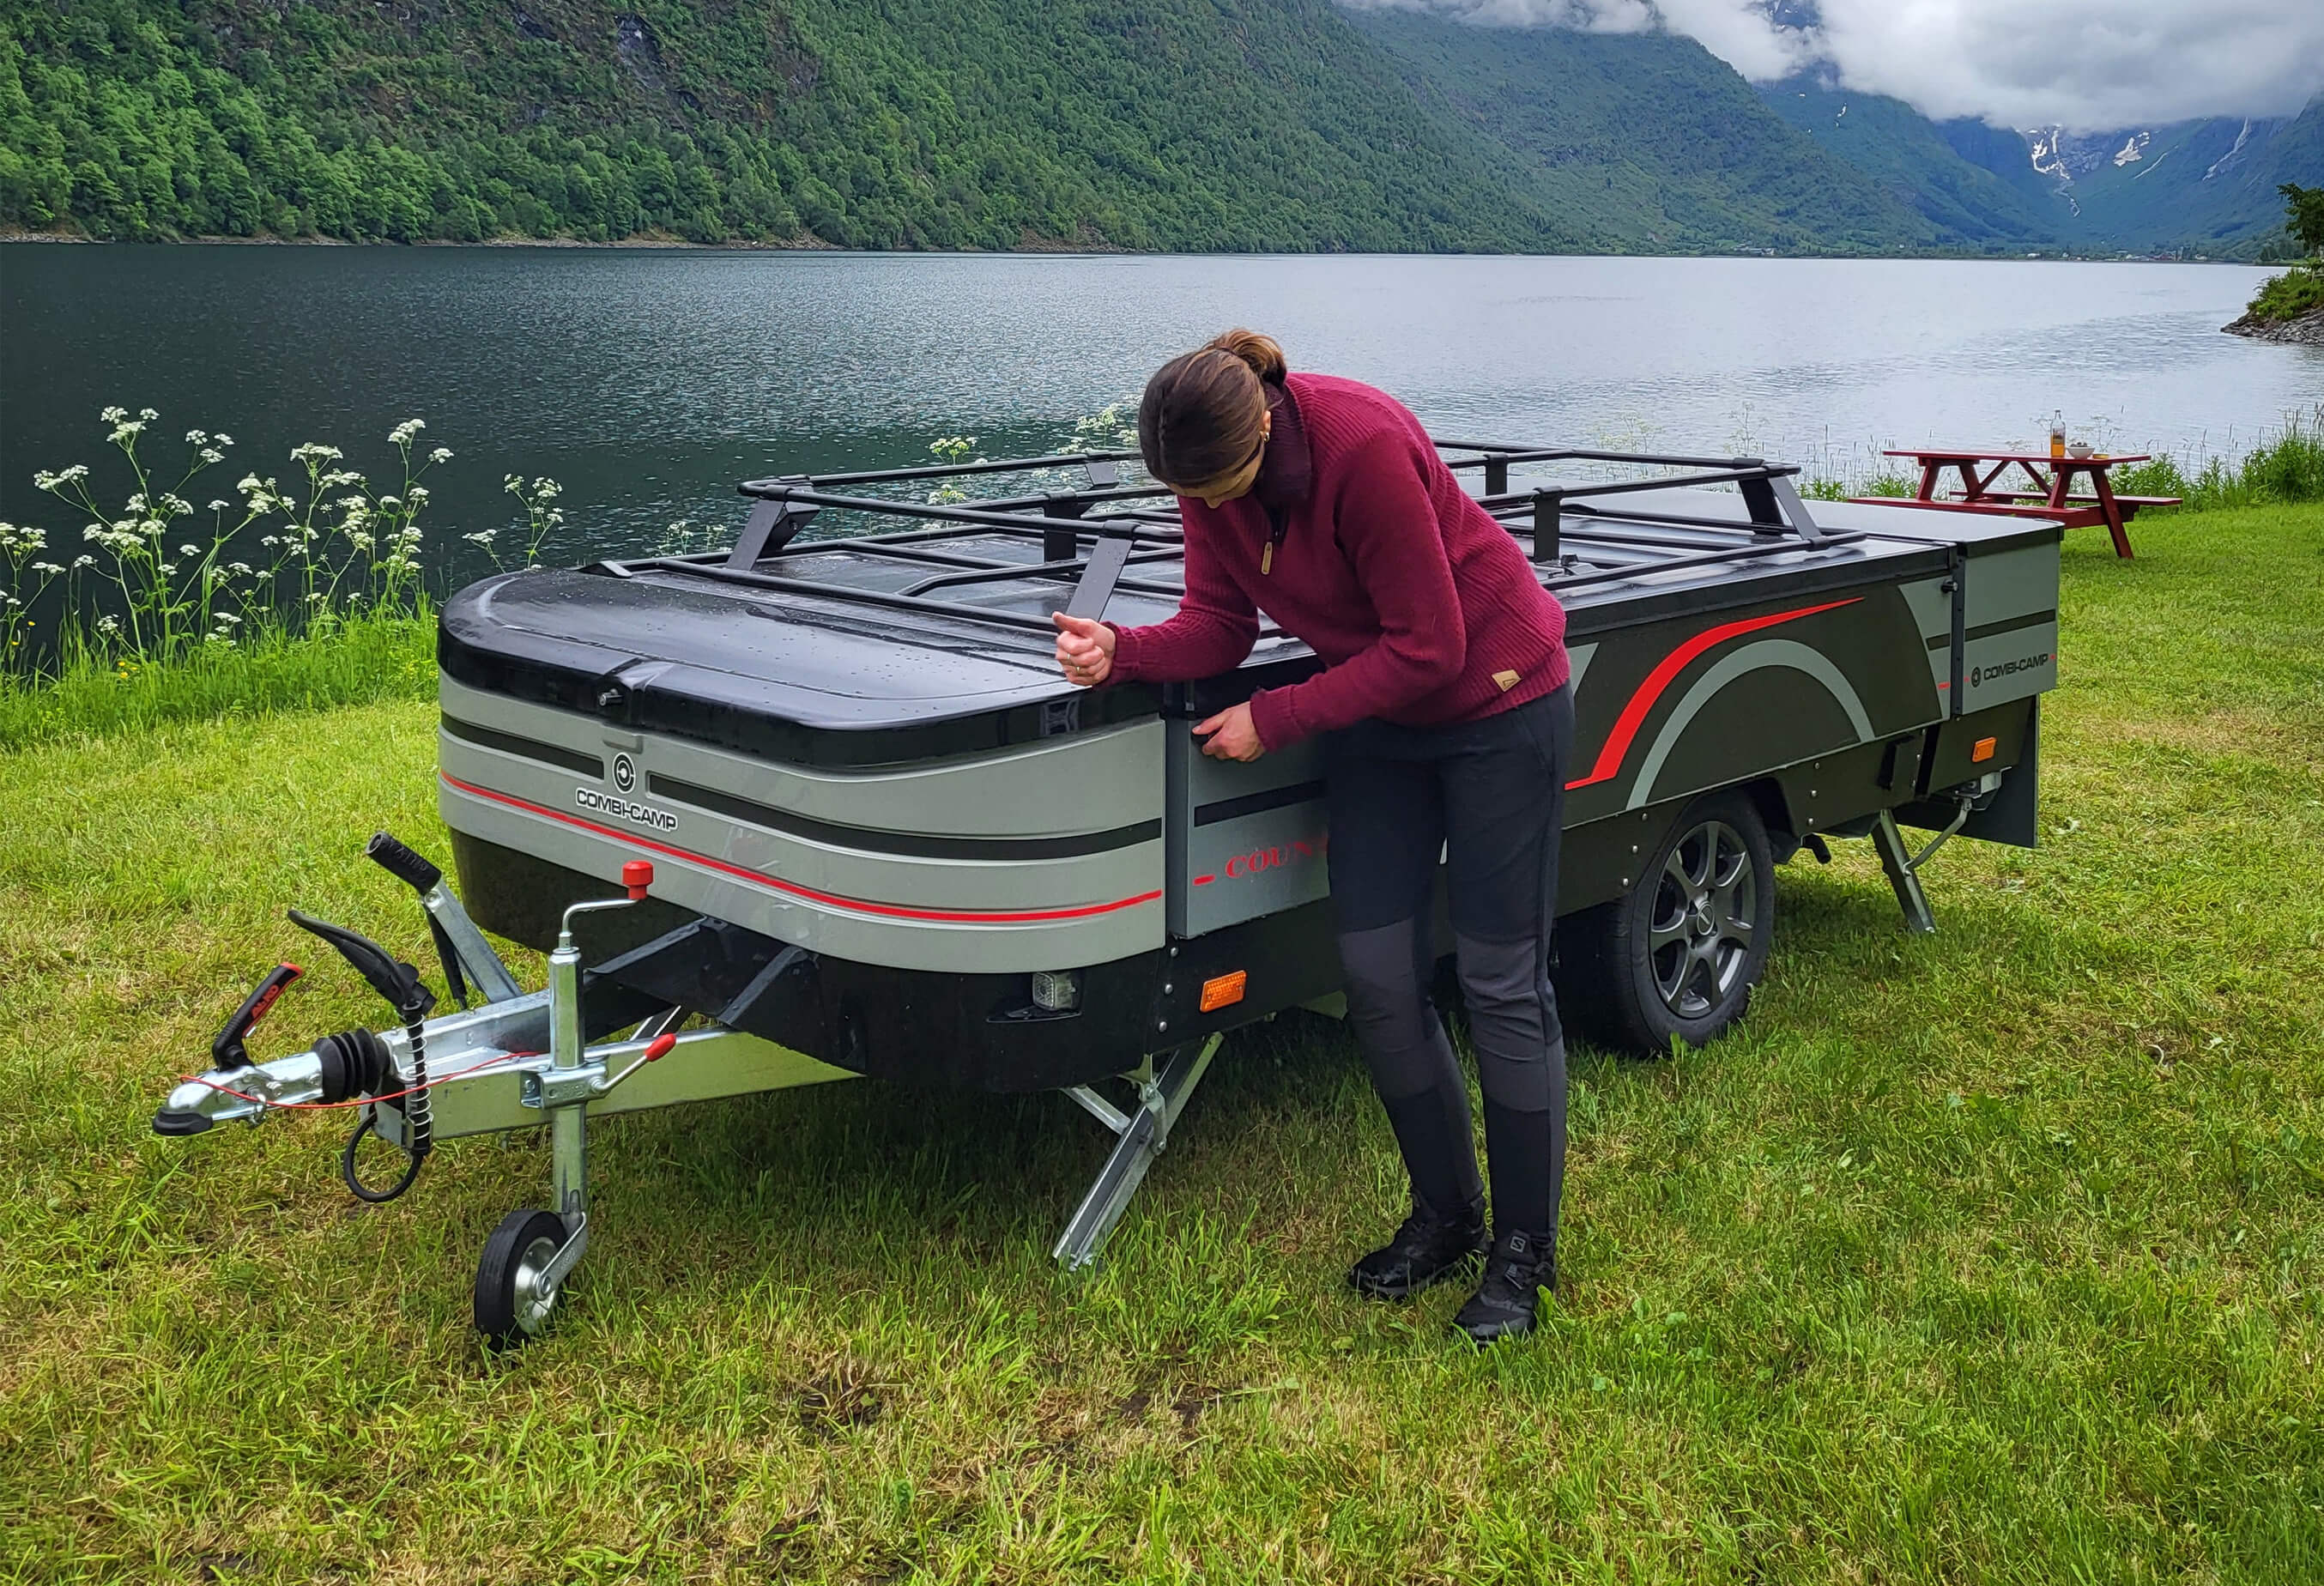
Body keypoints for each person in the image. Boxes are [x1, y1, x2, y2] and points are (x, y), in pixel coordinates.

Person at [1052, 330, 1574, 1343]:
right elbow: (1219, 623)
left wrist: (1277, 719)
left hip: (1499, 705)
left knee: (1502, 981)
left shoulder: (1361, 443)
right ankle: (1446, 1217)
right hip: (1381, 719)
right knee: (1376, 978)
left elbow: (1433, 646)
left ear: (1258, 423)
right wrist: (1121, 652)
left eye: (1217, 487)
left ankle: (1524, 1253)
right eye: (1187, 496)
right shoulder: (1205, 471)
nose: (1203, 509)